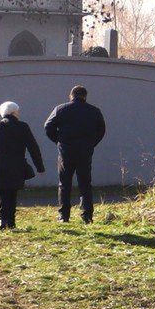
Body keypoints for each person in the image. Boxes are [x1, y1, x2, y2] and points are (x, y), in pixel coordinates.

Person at [43, 85, 107, 223]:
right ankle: (87, 216)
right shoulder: (94, 111)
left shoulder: (60, 109)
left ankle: (63, 215)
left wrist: (59, 141)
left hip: (66, 151)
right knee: (85, 183)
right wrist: (91, 143)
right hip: (85, 151)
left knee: (64, 183)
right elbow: (101, 130)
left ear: (71, 96)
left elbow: (48, 126)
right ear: (85, 96)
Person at [0, 101, 45, 231]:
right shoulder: (23, 127)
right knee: (12, 193)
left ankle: (1, 220)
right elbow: (33, 148)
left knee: (2, 193)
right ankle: (11, 222)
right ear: (14, 112)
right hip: (17, 164)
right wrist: (40, 167)